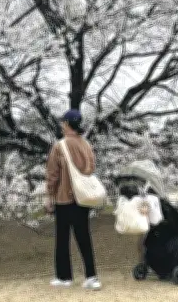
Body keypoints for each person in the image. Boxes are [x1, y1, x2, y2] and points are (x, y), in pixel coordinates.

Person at [45, 109, 101, 291]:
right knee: (84, 236)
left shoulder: (59, 146)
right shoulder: (86, 144)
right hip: (83, 197)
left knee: (62, 238)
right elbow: (91, 168)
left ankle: (64, 276)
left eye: (63, 122)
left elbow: (53, 174)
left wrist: (49, 195)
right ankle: (91, 276)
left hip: (64, 197)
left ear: (67, 124)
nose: (62, 125)